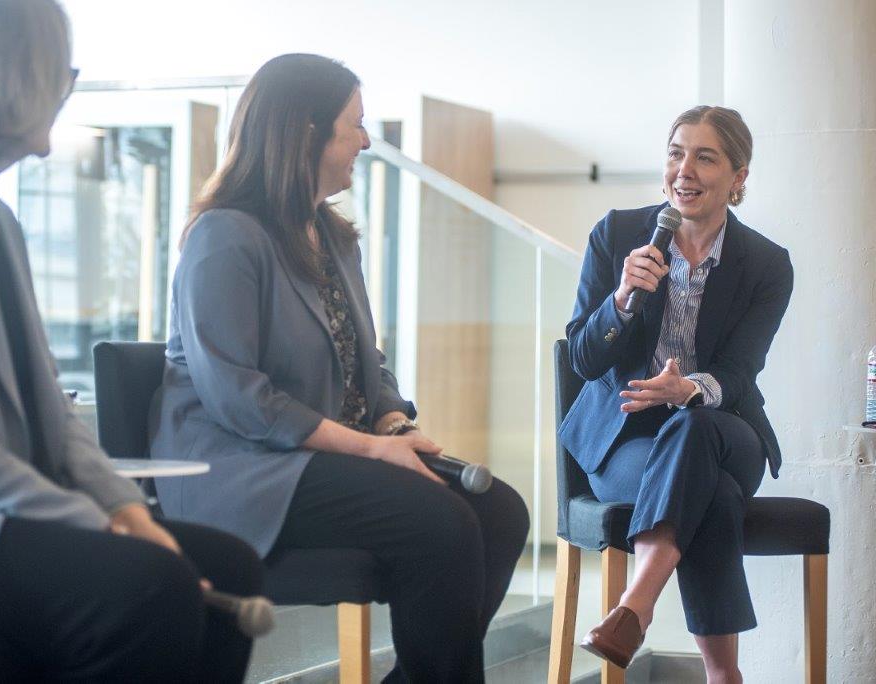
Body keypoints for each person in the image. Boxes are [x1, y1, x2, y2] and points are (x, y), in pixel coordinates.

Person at [0, 0, 261, 680]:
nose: (65, 91)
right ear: (6, 76)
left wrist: (130, 511)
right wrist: (92, 523)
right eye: (58, 71)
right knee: (147, 587)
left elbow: (53, 414)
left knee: (230, 570)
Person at [149, 53, 530, 683]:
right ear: (305, 133)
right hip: (240, 469)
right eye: (353, 124)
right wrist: (372, 452)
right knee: (440, 522)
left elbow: (366, 359)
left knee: (502, 512)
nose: (365, 139)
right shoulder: (224, 235)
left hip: (321, 457)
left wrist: (390, 422)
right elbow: (238, 399)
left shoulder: (332, 235)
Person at [559, 105, 793, 682]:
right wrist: (617, 301)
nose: (683, 170)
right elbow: (583, 358)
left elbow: (740, 370)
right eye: (675, 153)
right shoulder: (617, 234)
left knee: (693, 427)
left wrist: (689, 389)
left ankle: (633, 609)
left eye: (705, 157)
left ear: (738, 178)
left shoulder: (766, 264)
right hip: (626, 437)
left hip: (724, 429)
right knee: (708, 498)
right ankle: (723, 676)